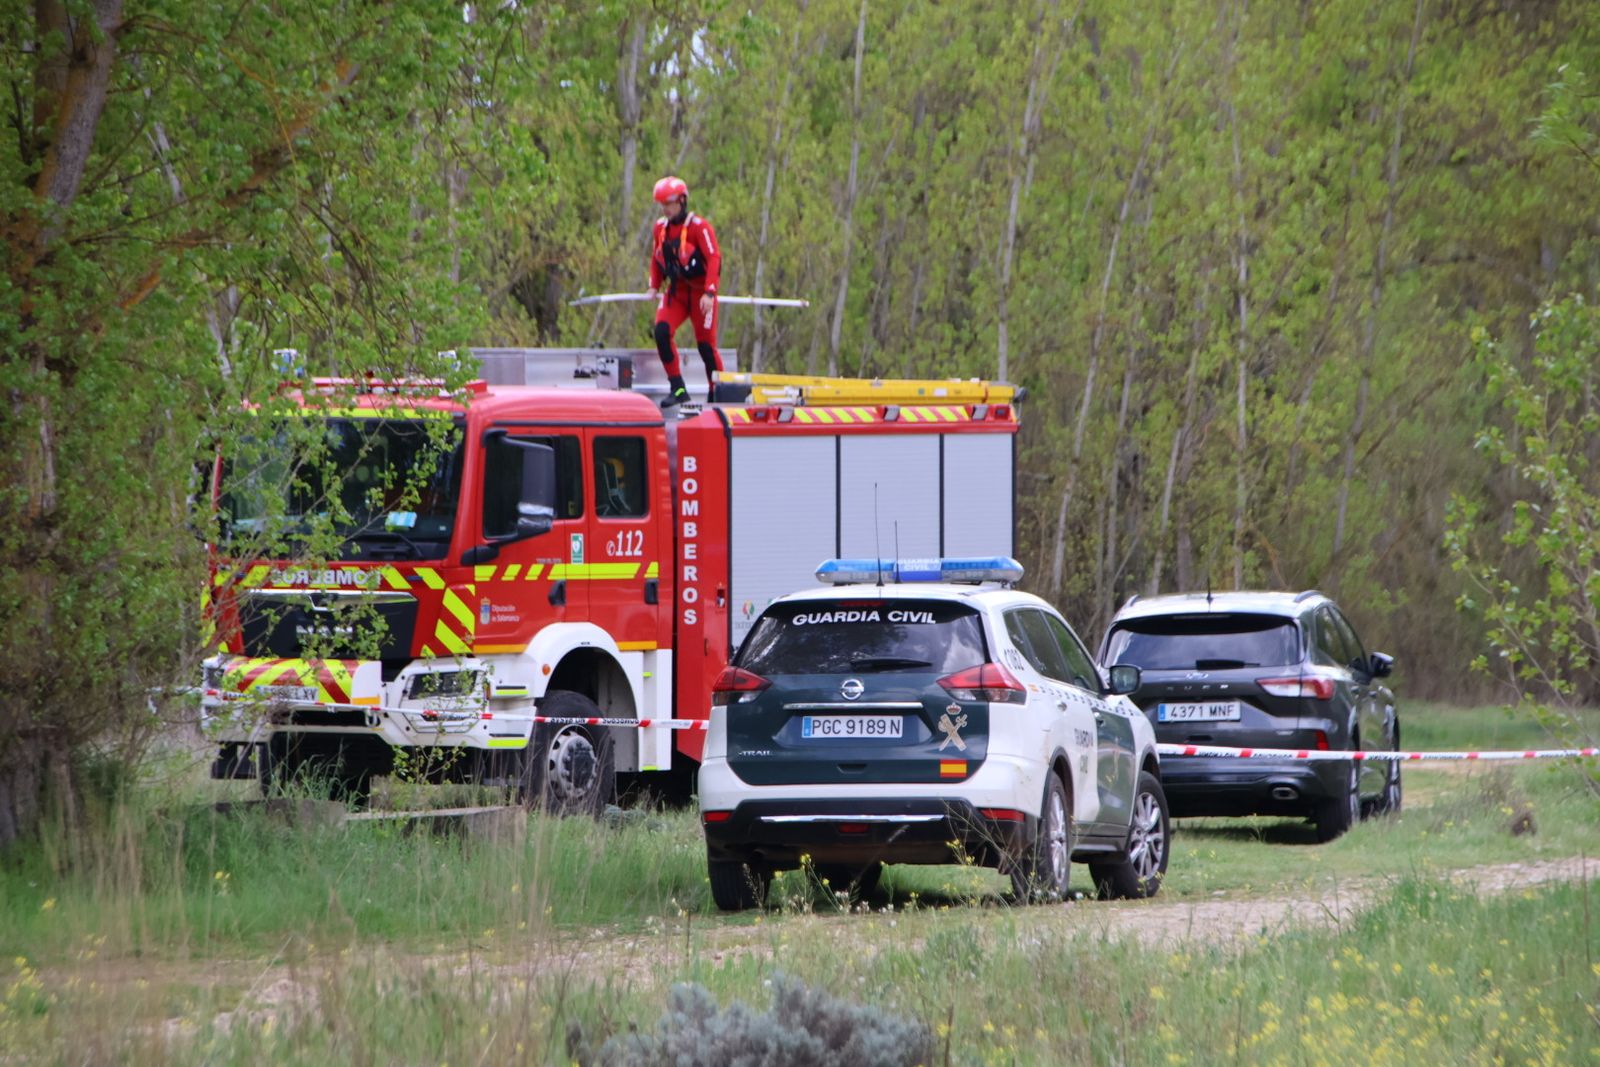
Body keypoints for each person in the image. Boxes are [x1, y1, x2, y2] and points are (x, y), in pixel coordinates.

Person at [647, 176, 722, 407]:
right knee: (661, 332)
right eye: (662, 205)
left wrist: (710, 293)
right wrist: (654, 284)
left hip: (701, 294)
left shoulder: (700, 227)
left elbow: (714, 258)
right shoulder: (660, 228)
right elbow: (656, 258)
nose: (666, 209)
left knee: (705, 346)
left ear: (682, 201)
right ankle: (678, 387)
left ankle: (717, 391)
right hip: (677, 293)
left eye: (669, 204)